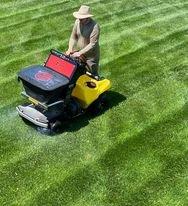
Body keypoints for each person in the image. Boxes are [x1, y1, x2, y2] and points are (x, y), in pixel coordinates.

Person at [66, 5, 100, 78]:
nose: (79, 20)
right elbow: (73, 36)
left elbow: (92, 44)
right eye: (79, 18)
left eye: (82, 18)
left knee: (92, 75)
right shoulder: (77, 22)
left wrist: (79, 53)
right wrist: (70, 48)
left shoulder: (95, 27)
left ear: (87, 17)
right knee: (78, 71)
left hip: (91, 56)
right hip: (79, 52)